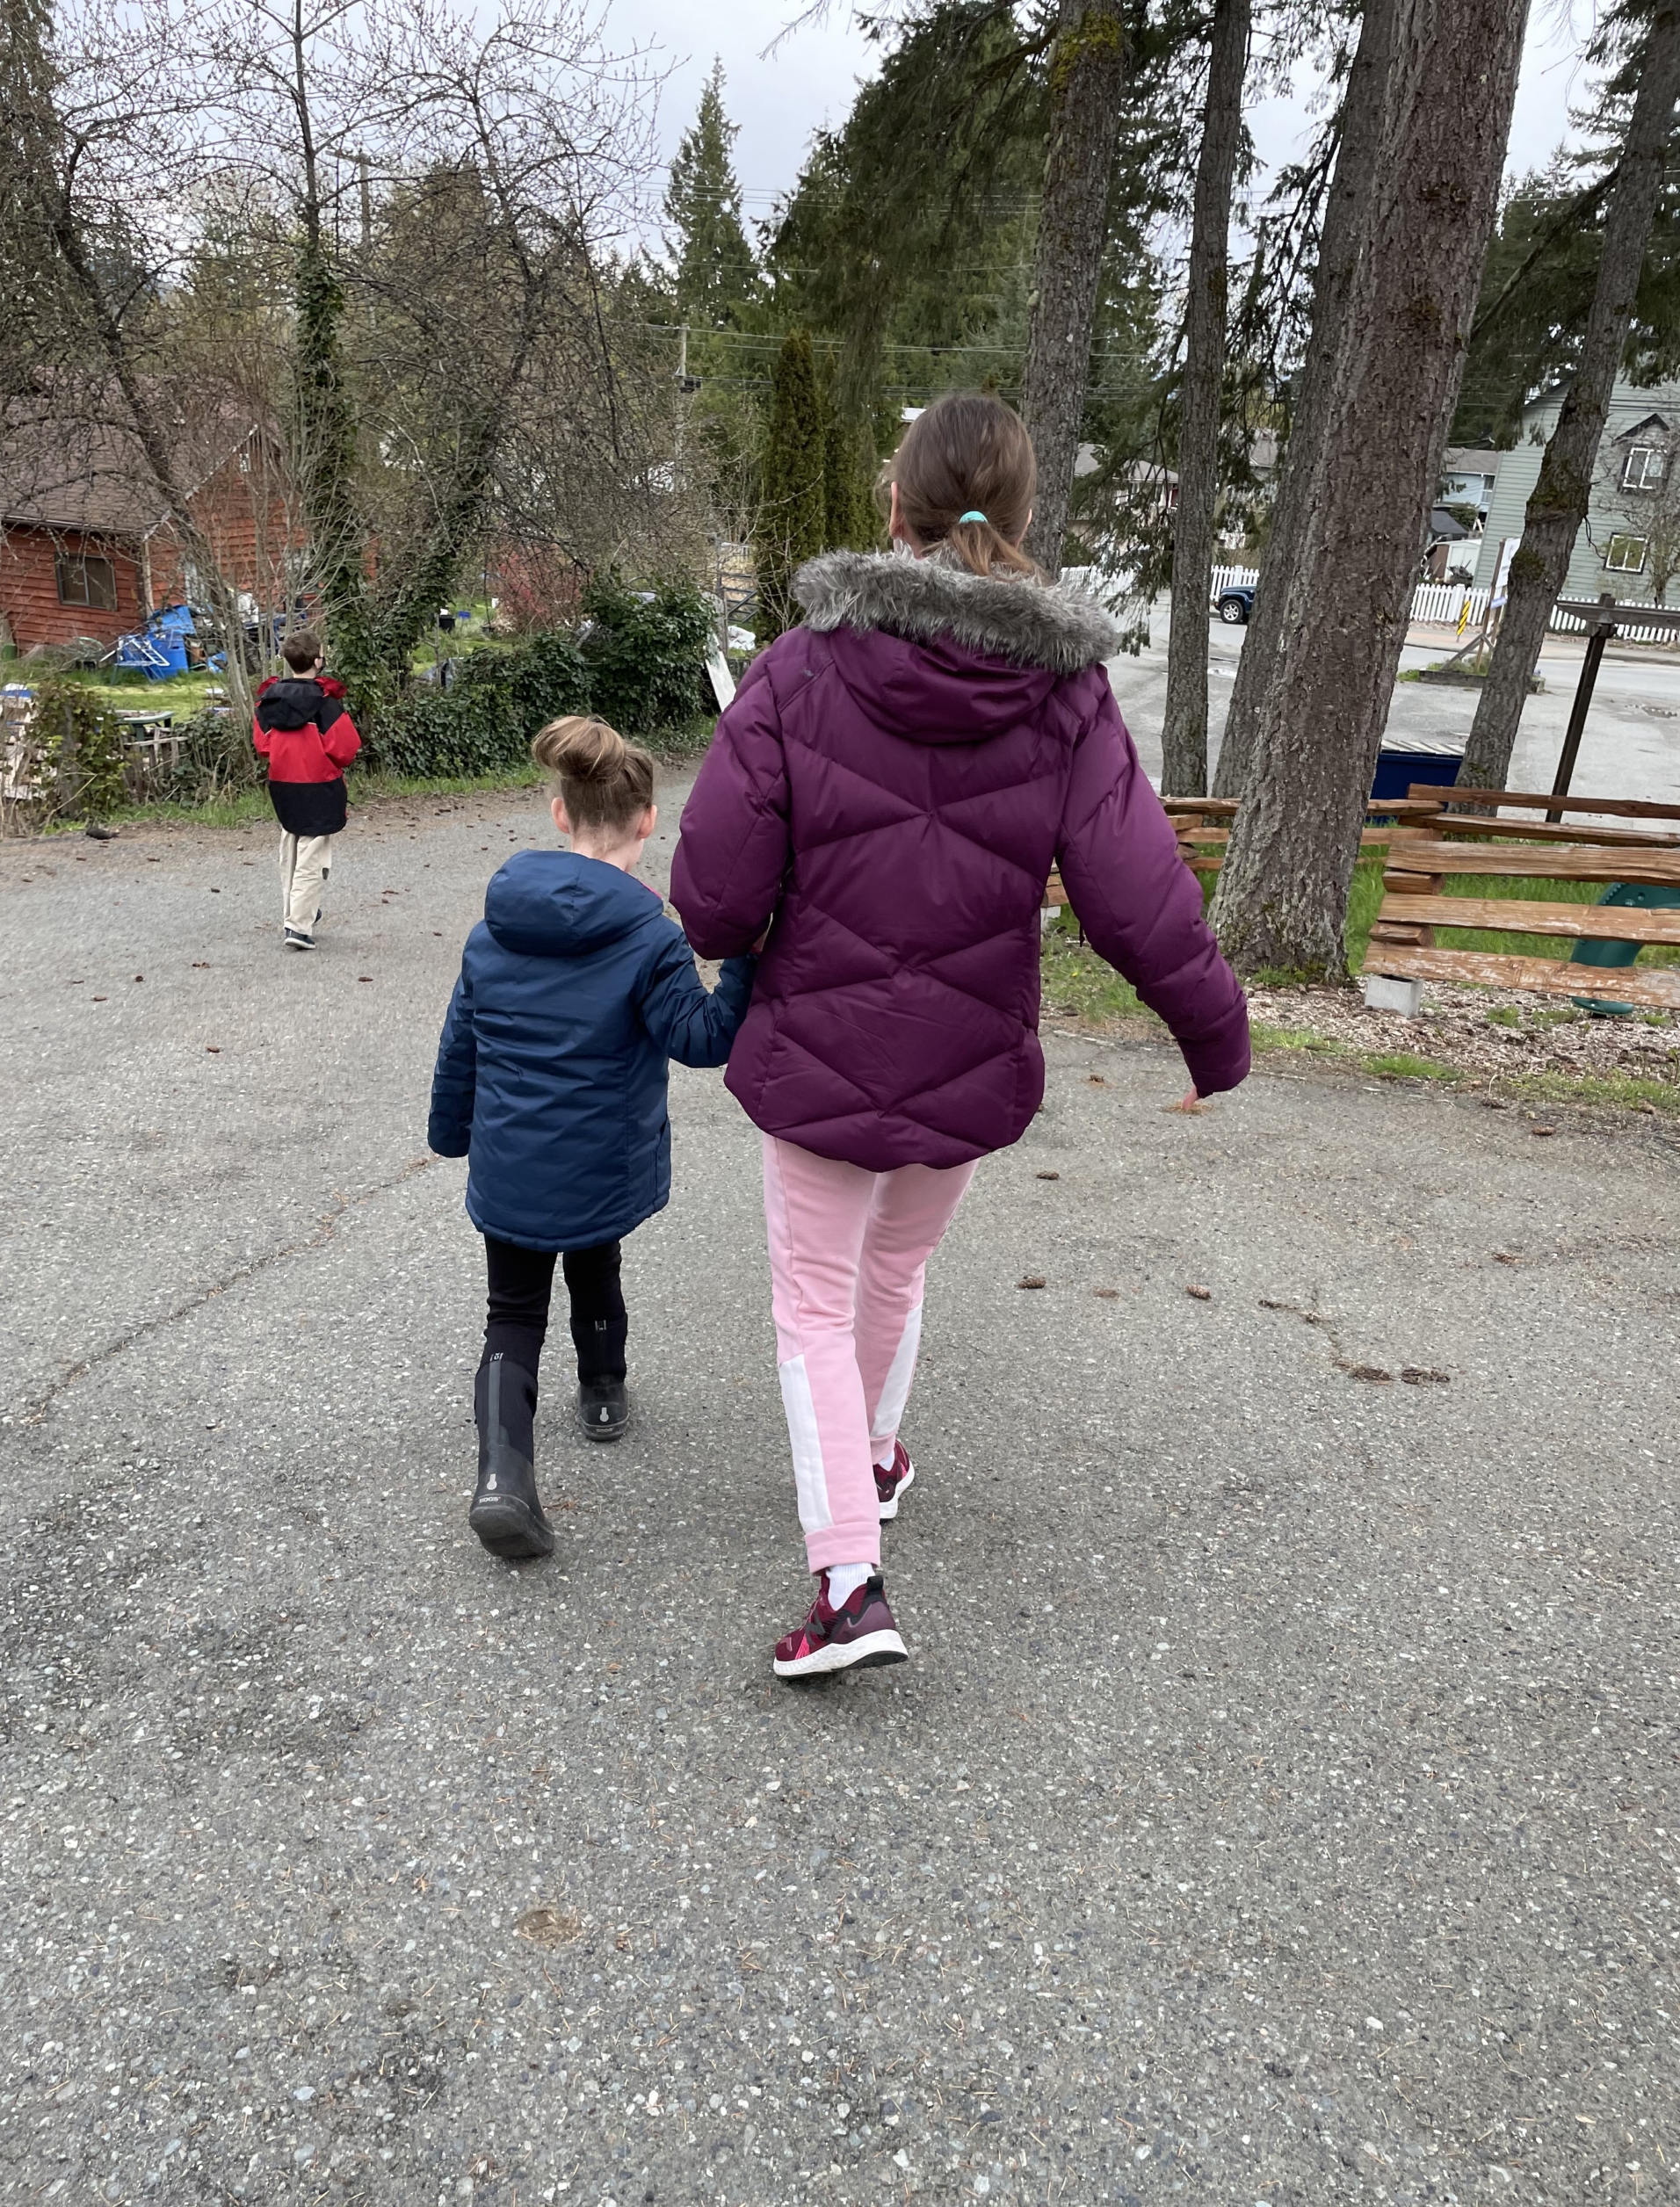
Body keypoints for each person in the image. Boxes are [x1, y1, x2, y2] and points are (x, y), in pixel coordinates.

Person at [671, 389, 1250, 1681]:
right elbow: (1137, 893)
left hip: (816, 1047)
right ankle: (872, 1463)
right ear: (1024, 517)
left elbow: (712, 889)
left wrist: (758, 922)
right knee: (893, 1273)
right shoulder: (1067, 693)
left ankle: (848, 1583)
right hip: (968, 1057)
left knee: (814, 1303)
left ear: (896, 507)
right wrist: (1215, 1034)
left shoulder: (801, 663)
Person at [428, 717, 756, 1562]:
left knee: (510, 1313)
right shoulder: (650, 937)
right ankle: (603, 1391)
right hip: (602, 1157)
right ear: (648, 822)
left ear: (558, 812)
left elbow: (461, 1037)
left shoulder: (492, 929)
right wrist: (750, 958)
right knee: (596, 1262)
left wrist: (449, 1131)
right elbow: (701, 1039)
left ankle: (503, 1478)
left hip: (510, 1161)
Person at [252, 628, 361, 951]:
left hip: (283, 782)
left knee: (290, 850)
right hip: (319, 784)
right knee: (312, 856)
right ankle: (299, 926)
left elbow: (263, 745)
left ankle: (296, 914)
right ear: (318, 660)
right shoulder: (325, 704)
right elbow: (345, 749)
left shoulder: (268, 701)